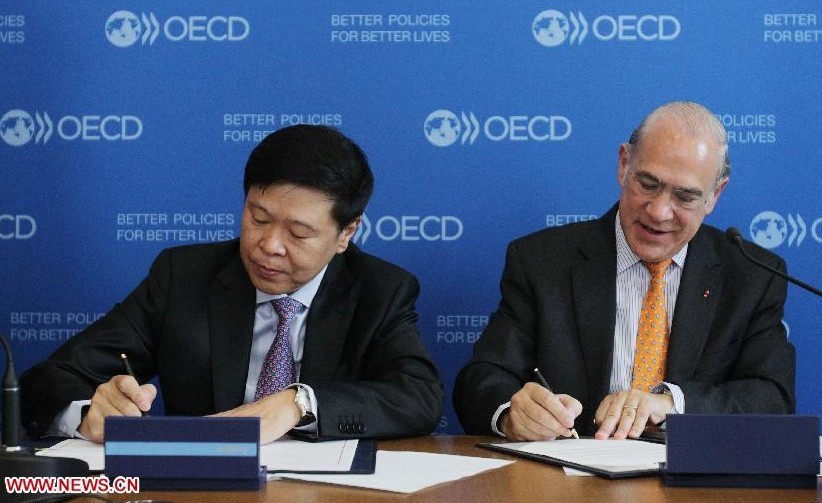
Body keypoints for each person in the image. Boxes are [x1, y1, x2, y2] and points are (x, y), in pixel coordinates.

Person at [21, 125, 443, 444]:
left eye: (297, 233)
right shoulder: (183, 277)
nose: (269, 246)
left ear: (346, 233)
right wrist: (87, 413)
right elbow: (49, 380)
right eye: (258, 219)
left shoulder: (380, 290)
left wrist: (299, 403)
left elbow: (419, 397)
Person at [453, 101, 795, 441]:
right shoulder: (540, 262)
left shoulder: (752, 276)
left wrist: (671, 403)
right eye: (648, 184)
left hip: (692, 485)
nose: (659, 212)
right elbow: (482, 378)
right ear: (623, 165)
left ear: (714, 196)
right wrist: (513, 414)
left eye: (685, 197)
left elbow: (772, 398)